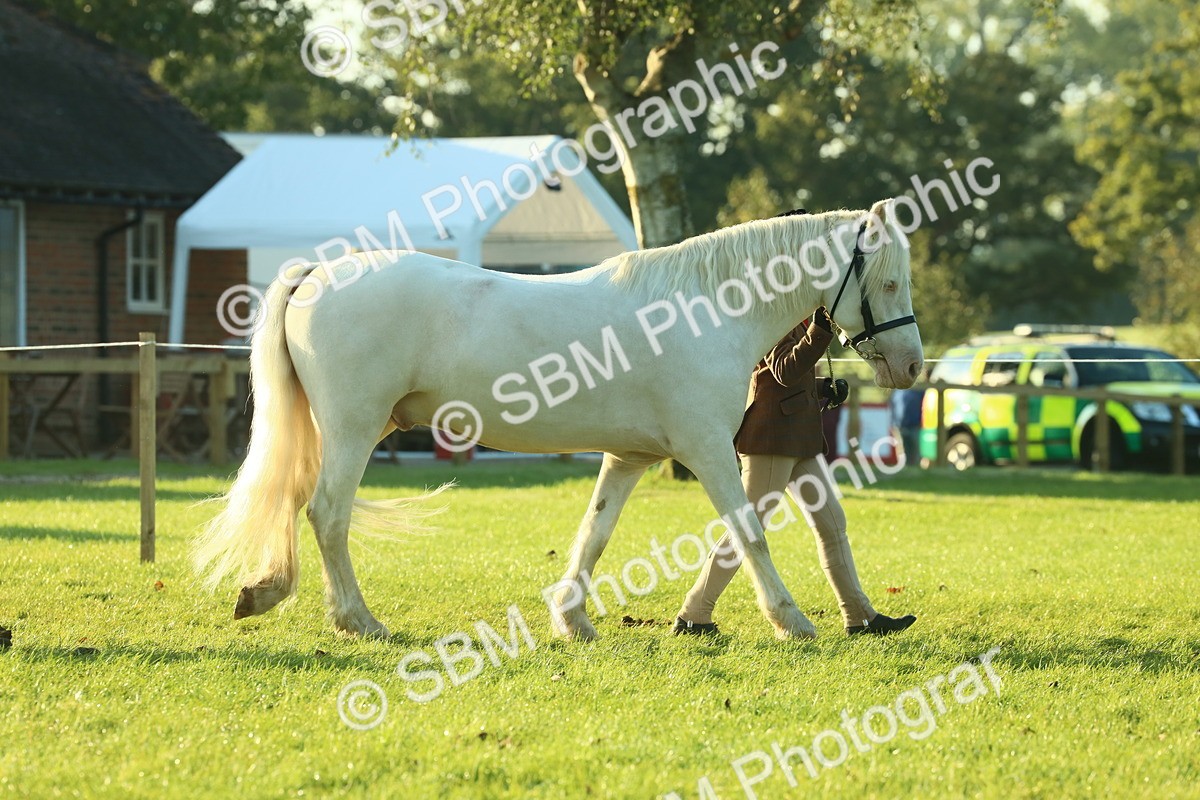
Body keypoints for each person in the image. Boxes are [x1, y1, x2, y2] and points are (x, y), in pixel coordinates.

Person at [673, 307, 916, 637]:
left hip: (799, 438)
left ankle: (860, 617)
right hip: (773, 438)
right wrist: (820, 331)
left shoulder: (799, 316)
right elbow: (783, 370)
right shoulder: (773, 313)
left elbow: (792, 376)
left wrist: (823, 388)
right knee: (748, 530)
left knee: (832, 524)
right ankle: (694, 615)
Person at [889, 387, 924, 466]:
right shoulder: (896, 392)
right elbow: (893, 407)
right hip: (899, 425)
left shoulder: (916, 390)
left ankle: (916, 467)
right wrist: (893, 423)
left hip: (914, 425)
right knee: (903, 449)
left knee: (915, 449)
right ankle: (905, 466)